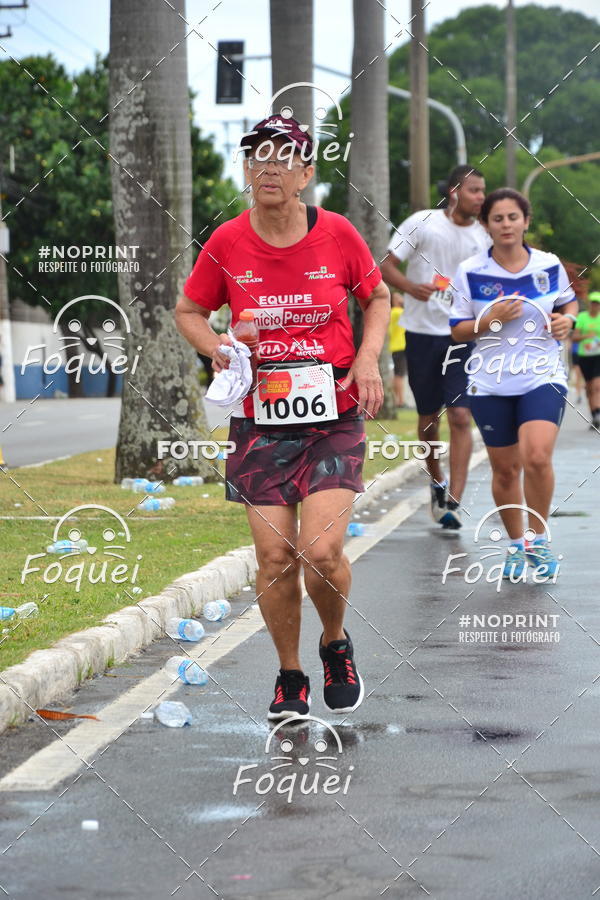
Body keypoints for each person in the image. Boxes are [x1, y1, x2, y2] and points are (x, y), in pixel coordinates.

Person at [175, 116, 390, 720]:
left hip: (333, 413)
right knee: (273, 557)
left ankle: (334, 643)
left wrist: (369, 357)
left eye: (282, 156)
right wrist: (217, 346)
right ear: (247, 169)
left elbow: (376, 295)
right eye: (257, 156)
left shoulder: (338, 234)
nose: (269, 166)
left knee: (321, 552)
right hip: (259, 417)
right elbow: (189, 309)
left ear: (305, 171)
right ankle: (290, 674)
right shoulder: (227, 242)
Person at [449, 188, 578, 578]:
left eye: (513, 217)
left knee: (537, 456)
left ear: (526, 221)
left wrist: (567, 320)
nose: (506, 225)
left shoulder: (548, 264)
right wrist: (488, 323)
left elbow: (568, 303)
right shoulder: (470, 271)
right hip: (490, 381)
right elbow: (457, 331)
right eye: (497, 219)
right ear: (486, 225)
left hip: (542, 374)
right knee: (505, 472)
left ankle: (538, 542)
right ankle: (516, 544)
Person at [381, 165, 489, 529]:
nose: (481, 198)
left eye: (483, 191)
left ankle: (454, 500)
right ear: (456, 190)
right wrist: (411, 288)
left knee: (460, 415)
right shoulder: (422, 222)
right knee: (429, 417)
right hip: (420, 333)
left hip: (462, 335)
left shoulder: (485, 235)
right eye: (475, 190)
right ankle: (437, 479)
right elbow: (386, 265)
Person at [572, 291, 600, 429]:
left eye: (598, 303)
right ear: (590, 304)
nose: (595, 306)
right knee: (589, 388)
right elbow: (574, 337)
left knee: (596, 386)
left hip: (598, 356)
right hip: (584, 356)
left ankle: (598, 412)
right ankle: (594, 414)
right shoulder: (582, 317)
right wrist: (587, 336)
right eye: (593, 303)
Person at [388, 292, 407, 409]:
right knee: (399, 374)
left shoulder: (392, 312)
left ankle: (399, 399)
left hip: (396, 346)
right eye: (398, 297)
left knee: (398, 374)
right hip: (400, 346)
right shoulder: (397, 312)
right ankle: (400, 401)